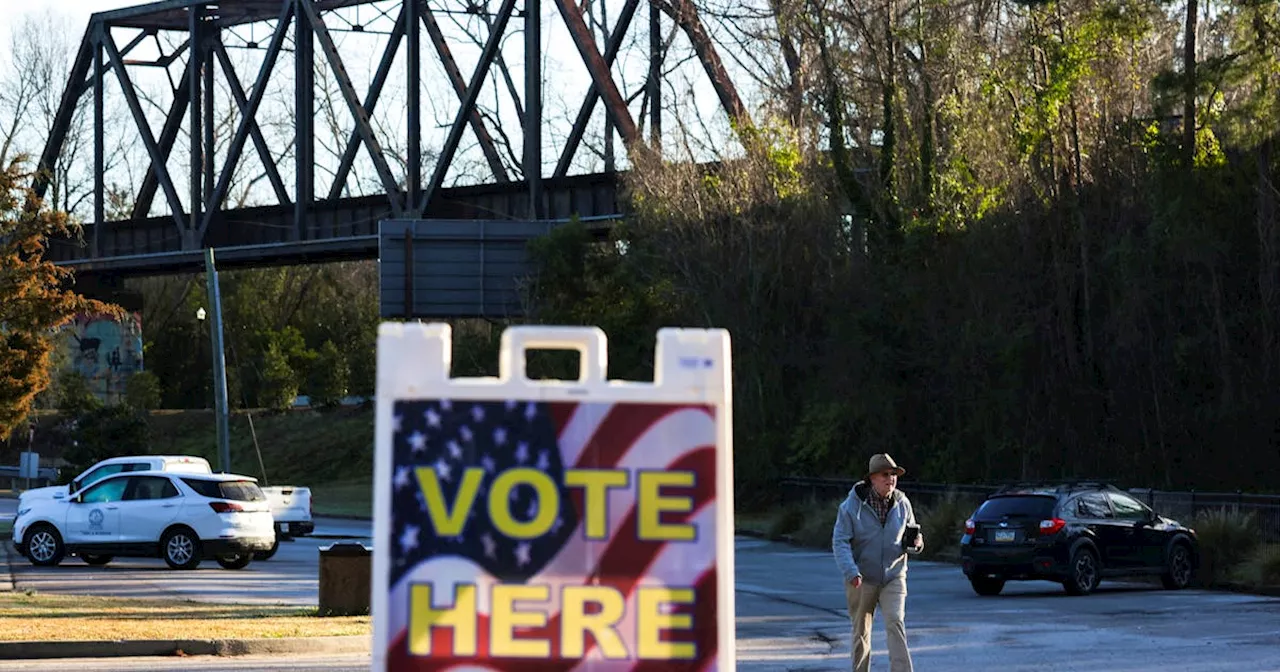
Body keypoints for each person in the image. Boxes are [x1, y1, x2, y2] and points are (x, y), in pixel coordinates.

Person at [831, 453, 924, 672]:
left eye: (894, 475)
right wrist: (851, 571)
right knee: (861, 632)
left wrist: (917, 543)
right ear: (872, 478)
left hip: (894, 576)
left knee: (895, 623)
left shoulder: (903, 503)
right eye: (885, 475)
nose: (891, 479)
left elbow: (911, 536)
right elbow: (840, 541)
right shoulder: (850, 507)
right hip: (861, 579)